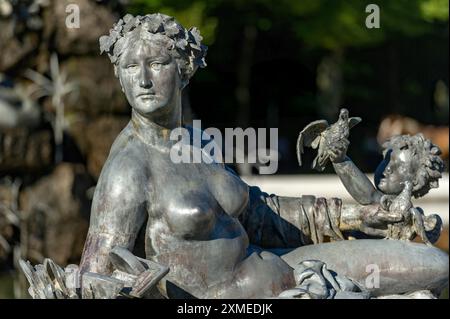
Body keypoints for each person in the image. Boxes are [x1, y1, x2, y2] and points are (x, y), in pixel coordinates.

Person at [79, 13, 448, 298]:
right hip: (236, 295)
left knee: (436, 263)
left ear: (184, 70)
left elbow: (258, 212)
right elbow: (96, 276)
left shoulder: (194, 141)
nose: (143, 79)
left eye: (157, 64)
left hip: (283, 267)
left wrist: (355, 215)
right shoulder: (128, 168)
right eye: (130, 67)